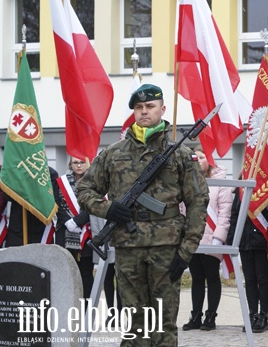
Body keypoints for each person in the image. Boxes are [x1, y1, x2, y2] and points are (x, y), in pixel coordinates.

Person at [77, 83, 209, 346]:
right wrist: (107, 208)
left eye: (150, 107)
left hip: (167, 248)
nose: (144, 112)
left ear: (162, 109)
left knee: (163, 324)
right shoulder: (114, 155)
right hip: (129, 247)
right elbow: (84, 188)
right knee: (135, 324)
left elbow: (197, 202)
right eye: (139, 107)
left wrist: (186, 251)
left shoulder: (180, 155)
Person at [181, 148, 232, 331]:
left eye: (202, 157)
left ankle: (210, 316)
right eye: (195, 158)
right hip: (193, 238)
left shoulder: (221, 182)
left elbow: (224, 213)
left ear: (209, 160)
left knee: (211, 276)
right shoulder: (187, 180)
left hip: (212, 237)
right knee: (196, 277)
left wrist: (219, 237)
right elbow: (182, 210)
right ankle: (195, 316)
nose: (198, 160)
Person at [228, 176, 268, 333]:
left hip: (262, 241)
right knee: (249, 280)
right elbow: (235, 215)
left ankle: (263, 316)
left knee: (262, 280)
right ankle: (252, 315)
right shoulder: (241, 184)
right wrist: (232, 240)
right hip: (244, 241)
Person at [55, 156, 94, 300]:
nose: (78, 166)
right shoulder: (61, 182)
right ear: (70, 164)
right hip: (65, 234)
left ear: (88, 163)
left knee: (86, 273)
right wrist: (68, 223)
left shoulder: (94, 181)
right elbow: (56, 204)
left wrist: (78, 222)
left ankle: (86, 310)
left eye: (82, 162)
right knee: (67, 272)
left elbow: (94, 204)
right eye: (75, 162)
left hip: (87, 233)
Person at [4, 166, 62, 247]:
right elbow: (6, 196)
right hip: (18, 228)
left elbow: (54, 200)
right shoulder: (15, 171)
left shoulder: (50, 173)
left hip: (41, 228)